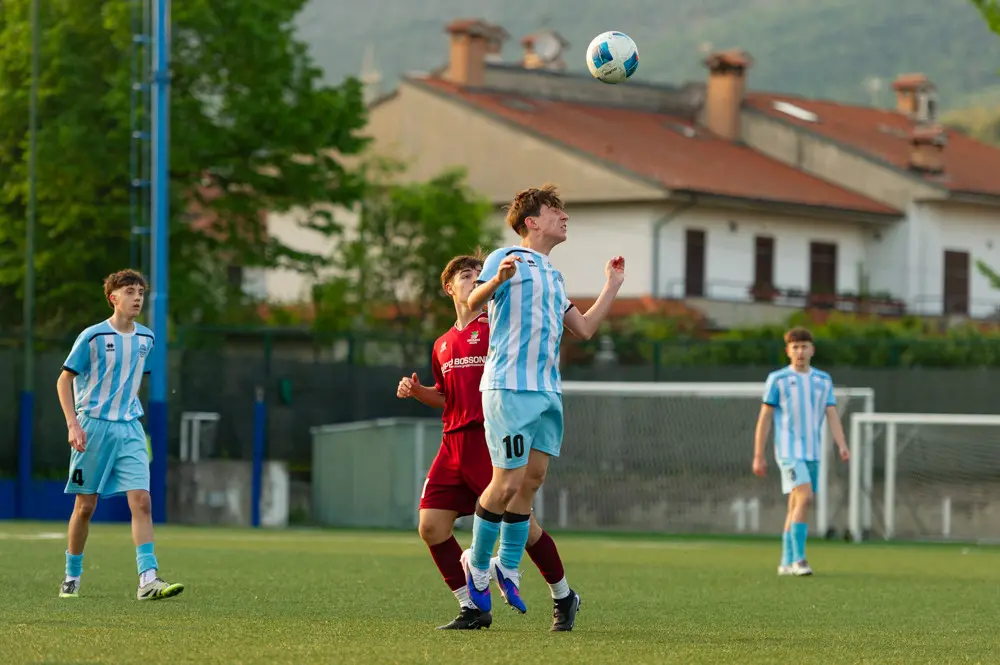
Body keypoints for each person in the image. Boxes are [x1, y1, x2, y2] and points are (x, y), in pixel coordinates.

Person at [462, 184, 624, 615]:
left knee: (531, 482)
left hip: (547, 391)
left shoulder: (553, 274)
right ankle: (477, 565)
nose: (564, 217)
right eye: (556, 211)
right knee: (508, 481)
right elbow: (472, 302)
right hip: (509, 387)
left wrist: (612, 286)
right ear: (532, 221)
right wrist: (495, 280)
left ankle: (508, 568)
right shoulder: (504, 258)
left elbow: (584, 329)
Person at [397, 252, 578, 631]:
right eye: (467, 274)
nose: (475, 279)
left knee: (523, 527)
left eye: (480, 274)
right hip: (452, 444)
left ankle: (563, 595)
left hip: (490, 438)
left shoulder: (495, 326)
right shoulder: (443, 344)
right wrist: (417, 392)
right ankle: (472, 608)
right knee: (431, 526)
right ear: (449, 287)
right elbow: (446, 395)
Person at [56, 269, 184, 601]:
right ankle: (72, 574)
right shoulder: (93, 337)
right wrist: (73, 424)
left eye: (141, 291)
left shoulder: (147, 339)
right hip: (93, 428)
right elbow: (64, 380)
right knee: (85, 506)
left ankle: (148, 579)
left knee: (142, 501)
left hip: (130, 428)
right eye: (130, 291)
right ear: (113, 298)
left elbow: (138, 378)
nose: (137, 297)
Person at [752, 326, 850, 576]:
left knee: (796, 503)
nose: (800, 351)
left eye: (804, 346)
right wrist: (758, 454)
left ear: (812, 350)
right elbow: (765, 418)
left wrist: (842, 444)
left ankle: (785, 562)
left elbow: (831, 414)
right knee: (806, 497)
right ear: (787, 351)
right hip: (788, 451)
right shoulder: (778, 379)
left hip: (813, 451)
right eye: (795, 347)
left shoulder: (822, 380)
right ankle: (799, 559)